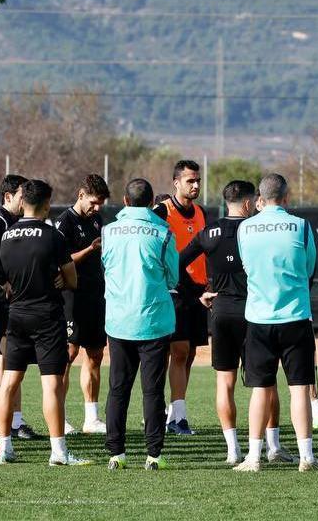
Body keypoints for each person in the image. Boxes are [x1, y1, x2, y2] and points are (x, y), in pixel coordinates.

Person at [179, 180, 295, 464]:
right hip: (254, 312)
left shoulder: (210, 231)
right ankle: (274, 447)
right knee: (266, 381)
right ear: (247, 204)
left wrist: (198, 292)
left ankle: (233, 450)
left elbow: (176, 262)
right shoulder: (255, 230)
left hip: (220, 312)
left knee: (224, 383)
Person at [0, 180, 91, 466]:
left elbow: (7, 277)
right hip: (47, 315)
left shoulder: (7, 235)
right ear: (47, 204)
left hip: (16, 314)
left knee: (10, 381)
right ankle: (59, 452)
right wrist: (61, 278)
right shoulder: (52, 236)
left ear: (22, 201)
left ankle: (4, 448)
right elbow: (71, 279)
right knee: (51, 385)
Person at [234, 173, 318, 472]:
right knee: (299, 389)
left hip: (259, 318)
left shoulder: (245, 228)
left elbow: (246, 268)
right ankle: (307, 457)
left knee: (260, 389)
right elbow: (310, 268)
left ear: (260, 197)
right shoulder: (301, 226)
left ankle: (254, 457)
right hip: (296, 317)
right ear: (286, 198)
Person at [102, 178, 177, 471]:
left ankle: (115, 454)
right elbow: (173, 277)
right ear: (151, 203)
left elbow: (106, 267)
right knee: (153, 391)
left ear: (124, 200)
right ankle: (154, 455)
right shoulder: (163, 232)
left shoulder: (108, 232)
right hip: (153, 321)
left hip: (119, 320)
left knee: (118, 388)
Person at [0, 175, 41, 439]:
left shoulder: (16, 223)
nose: (25, 200)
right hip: (0, 301)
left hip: (13, 301)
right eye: (21, 195)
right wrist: (2, 279)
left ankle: (14, 421)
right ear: (8, 197)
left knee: (15, 361)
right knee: (5, 361)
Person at [151, 160, 208, 435]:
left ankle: (173, 411)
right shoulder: (161, 211)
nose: (195, 185)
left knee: (189, 354)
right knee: (178, 350)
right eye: (190, 181)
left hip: (199, 291)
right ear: (176, 183)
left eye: (198, 180)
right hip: (174, 290)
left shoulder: (201, 212)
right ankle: (174, 417)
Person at [54, 174, 110, 434]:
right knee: (68, 354)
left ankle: (92, 418)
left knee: (96, 355)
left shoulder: (97, 220)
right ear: (80, 195)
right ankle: (61, 417)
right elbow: (60, 262)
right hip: (71, 296)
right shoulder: (64, 222)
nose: (97, 208)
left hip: (95, 294)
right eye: (93, 202)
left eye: (100, 203)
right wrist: (89, 249)